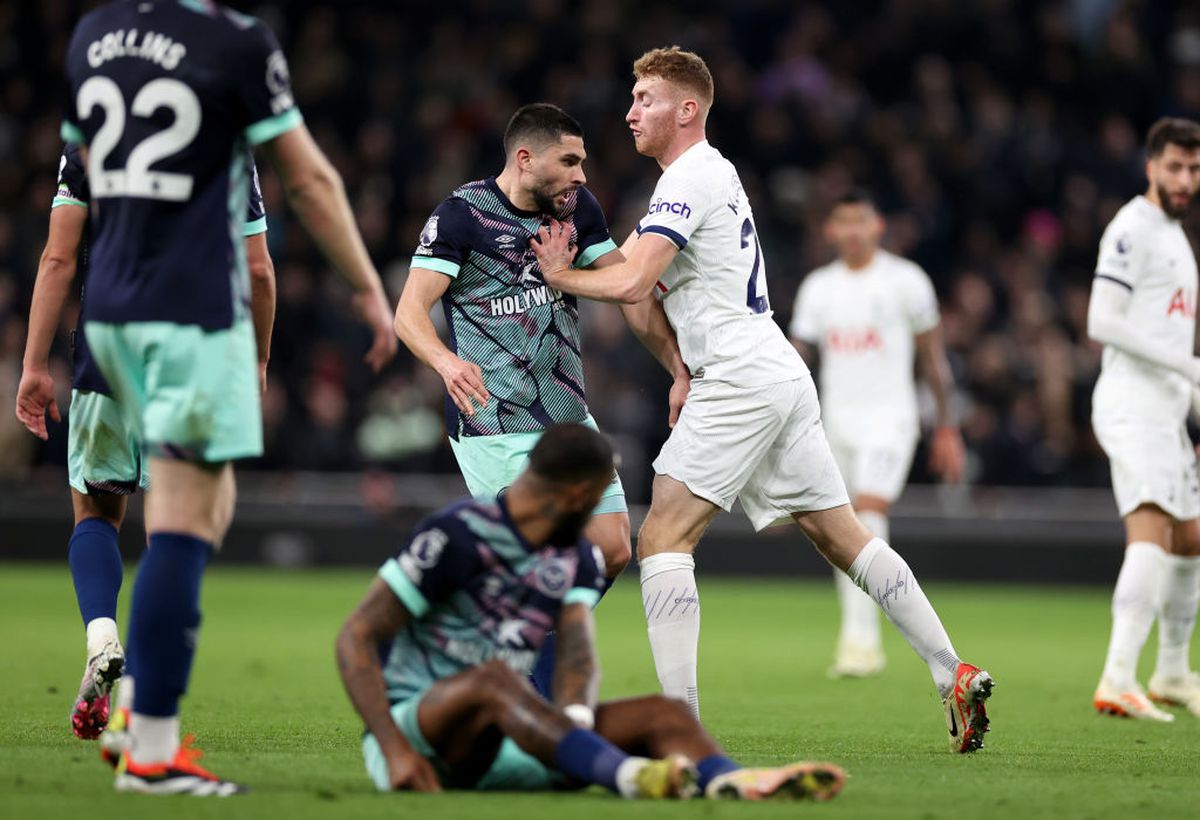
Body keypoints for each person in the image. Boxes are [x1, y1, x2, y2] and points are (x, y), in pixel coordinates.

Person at [529, 46, 992, 753]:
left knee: (662, 539)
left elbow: (626, 284)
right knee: (842, 535)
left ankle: (677, 725)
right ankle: (950, 669)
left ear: (688, 110)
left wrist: (559, 277)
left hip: (742, 376)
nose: (630, 112)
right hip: (772, 370)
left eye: (645, 98)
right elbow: (632, 284)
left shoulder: (690, 178)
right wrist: (676, 369)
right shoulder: (705, 179)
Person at [57, 0, 396, 794]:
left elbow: (85, 186)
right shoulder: (236, 41)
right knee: (186, 519)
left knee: (194, 509)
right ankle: (151, 747)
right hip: (191, 311)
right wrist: (367, 288)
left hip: (107, 314)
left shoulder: (91, 38)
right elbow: (308, 178)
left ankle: (139, 707)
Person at [335, 422, 846, 801]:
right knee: (493, 680)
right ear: (580, 495)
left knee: (661, 713)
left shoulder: (574, 556)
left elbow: (577, 653)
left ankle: (731, 780)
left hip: (512, 738)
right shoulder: (456, 534)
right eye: (601, 497)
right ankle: (628, 777)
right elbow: (355, 636)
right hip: (419, 736)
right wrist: (394, 748)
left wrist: (575, 721)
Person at [393, 103, 689, 694]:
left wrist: (677, 368)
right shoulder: (462, 215)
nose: (582, 174)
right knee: (548, 559)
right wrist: (446, 361)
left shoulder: (577, 211)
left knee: (610, 550)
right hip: (494, 419)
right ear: (526, 159)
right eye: (570, 161)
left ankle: (514, 658)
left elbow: (629, 290)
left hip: (567, 414)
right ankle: (533, 694)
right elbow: (408, 313)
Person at [15, 143, 275, 742]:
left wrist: (33, 365)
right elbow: (258, 269)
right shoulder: (226, 138)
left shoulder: (90, 132)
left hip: (106, 353)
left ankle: (101, 634)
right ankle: (143, 706)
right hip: (190, 358)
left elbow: (58, 259)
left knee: (96, 512)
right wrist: (258, 357)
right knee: (174, 533)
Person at [788, 190, 965, 678]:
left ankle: (861, 643)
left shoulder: (906, 281)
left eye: (859, 221)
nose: (851, 231)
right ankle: (861, 638)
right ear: (830, 230)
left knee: (869, 511)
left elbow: (932, 358)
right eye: (841, 222)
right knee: (841, 526)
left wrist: (947, 426)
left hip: (892, 420)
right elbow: (798, 359)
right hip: (834, 422)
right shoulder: (818, 288)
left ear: (877, 225)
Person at [1087, 117, 1200, 721]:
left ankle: (1175, 671)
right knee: (1153, 528)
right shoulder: (1132, 228)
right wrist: (1187, 366)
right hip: (1134, 404)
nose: (1186, 179)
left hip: (1168, 411)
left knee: (1189, 537)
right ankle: (1117, 677)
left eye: (1195, 168)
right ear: (1151, 166)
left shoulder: (1175, 236)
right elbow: (1101, 320)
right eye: (1176, 167)